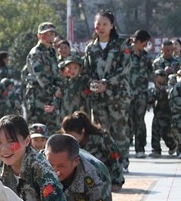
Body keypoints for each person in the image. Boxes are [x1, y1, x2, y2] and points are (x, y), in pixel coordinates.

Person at [83, 10, 131, 171]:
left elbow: (125, 68)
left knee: (120, 129)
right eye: (98, 24)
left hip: (118, 96)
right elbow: (86, 71)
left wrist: (107, 83)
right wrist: (93, 84)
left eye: (105, 24)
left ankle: (122, 162)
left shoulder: (121, 45)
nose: (101, 27)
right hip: (98, 97)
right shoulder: (90, 48)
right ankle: (104, 163)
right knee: (100, 131)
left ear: (111, 26)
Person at [45, 134, 113, 201]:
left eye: (61, 166)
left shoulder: (95, 175)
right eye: (50, 164)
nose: (54, 171)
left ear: (76, 161)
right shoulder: (37, 164)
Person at [61, 110, 125, 191]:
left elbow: (116, 159)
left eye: (73, 137)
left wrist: (117, 182)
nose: (70, 140)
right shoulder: (66, 141)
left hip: (103, 177)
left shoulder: (102, 139)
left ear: (82, 132)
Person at [23, 22, 62, 133]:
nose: (49, 37)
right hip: (37, 96)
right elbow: (40, 76)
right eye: (45, 34)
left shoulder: (51, 51)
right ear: (39, 36)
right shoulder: (36, 53)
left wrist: (59, 86)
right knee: (37, 129)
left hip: (50, 96)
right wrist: (54, 90)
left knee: (52, 128)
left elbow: (56, 72)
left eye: (52, 34)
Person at [127, 30, 154, 159]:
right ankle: (125, 147)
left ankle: (140, 148)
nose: (146, 45)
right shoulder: (126, 54)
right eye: (144, 42)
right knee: (127, 121)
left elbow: (151, 73)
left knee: (140, 122)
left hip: (141, 94)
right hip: (127, 93)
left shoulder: (146, 56)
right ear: (137, 41)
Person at [149, 69, 177, 158]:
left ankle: (172, 145)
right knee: (155, 131)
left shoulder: (168, 86)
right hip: (157, 113)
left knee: (164, 132)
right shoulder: (152, 87)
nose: (161, 78)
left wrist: (160, 88)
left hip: (166, 113)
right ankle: (156, 150)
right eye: (158, 76)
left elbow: (168, 92)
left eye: (163, 76)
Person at [58, 55, 89, 119]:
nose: (72, 71)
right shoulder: (64, 83)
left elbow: (88, 96)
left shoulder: (83, 82)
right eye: (69, 68)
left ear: (80, 69)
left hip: (79, 117)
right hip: (65, 117)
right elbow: (58, 97)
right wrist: (53, 106)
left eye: (75, 68)